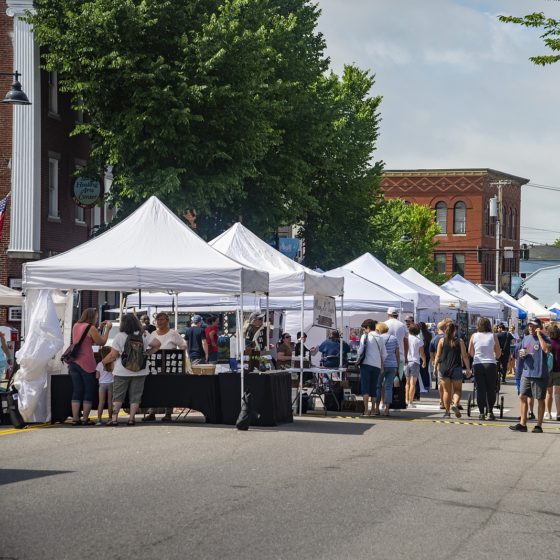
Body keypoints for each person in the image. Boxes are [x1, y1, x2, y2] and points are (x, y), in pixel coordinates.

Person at [102, 313, 161, 426]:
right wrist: (146, 353)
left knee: (118, 395)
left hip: (122, 371)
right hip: (140, 370)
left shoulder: (120, 336)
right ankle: (132, 418)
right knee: (136, 395)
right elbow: (157, 344)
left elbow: (113, 355)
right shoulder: (144, 334)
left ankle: (114, 419)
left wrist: (103, 361)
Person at [68, 308, 112, 426]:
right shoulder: (91, 328)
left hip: (73, 362)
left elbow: (85, 336)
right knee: (88, 390)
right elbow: (101, 342)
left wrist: (99, 328)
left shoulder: (76, 325)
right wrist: (107, 330)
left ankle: (75, 418)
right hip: (86, 362)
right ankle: (85, 418)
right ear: (92, 317)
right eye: (96, 317)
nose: (97, 319)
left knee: (77, 390)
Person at [144, 312, 189, 423]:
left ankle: (168, 413)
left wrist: (179, 355)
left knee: (168, 389)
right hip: (154, 365)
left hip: (169, 366)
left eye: (162, 319)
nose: (159, 322)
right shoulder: (153, 333)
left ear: (167, 321)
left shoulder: (173, 333)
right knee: (153, 389)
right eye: (157, 319)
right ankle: (152, 412)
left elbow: (183, 345)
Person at [509, 318, 551, 433]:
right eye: (529, 326)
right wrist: (522, 354)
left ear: (538, 327)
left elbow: (546, 350)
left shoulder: (545, 338)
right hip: (526, 373)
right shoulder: (526, 338)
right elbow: (522, 350)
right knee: (522, 396)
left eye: (533, 326)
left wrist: (539, 335)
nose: (530, 328)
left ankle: (539, 425)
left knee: (540, 399)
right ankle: (523, 423)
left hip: (539, 374)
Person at [435, 321, 471, 418]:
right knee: (457, 390)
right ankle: (455, 404)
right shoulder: (460, 341)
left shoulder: (441, 341)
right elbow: (464, 356)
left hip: (444, 368)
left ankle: (447, 412)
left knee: (446, 391)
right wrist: (468, 368)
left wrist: (435, 368)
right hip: (456, 368)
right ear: (455, 330)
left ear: (445, 330)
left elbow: (437, 356)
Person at [468, 317, 502, 421]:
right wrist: (494, 357)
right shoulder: (493, 336)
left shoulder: (474, 336)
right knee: (491, 388)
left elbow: (470, 351)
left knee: (480, 389)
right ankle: (490, 411)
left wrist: (476, 357)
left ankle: (481, 413)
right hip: (490, 364)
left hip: (478, 364)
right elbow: (498, 352)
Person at [357, 320, 387, 416]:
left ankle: (366, 410)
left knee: (365, 387)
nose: (364, 331)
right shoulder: (381, 338)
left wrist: (358, 356)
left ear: (368, 328)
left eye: (364, 329)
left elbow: (360, 350)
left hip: (366, 364)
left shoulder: (365, 336)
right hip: (377, 365)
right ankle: (374, 409)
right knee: (374, 387)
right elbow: (384, 354)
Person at [375, 322, 399, 416]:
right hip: (392, 364)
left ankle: (377, 408)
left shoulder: (379, 338)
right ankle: (387, 409)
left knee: (378, 386)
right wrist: (397, 365)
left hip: (381, 365)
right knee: (389, 387)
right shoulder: (394, 338)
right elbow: (397, 353)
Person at [430, 319, 450, 410]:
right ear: (445, 328)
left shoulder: (434, 339)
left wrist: (434, 362)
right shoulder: (449, 338)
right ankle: (450, 401)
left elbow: (432, 353)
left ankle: (442, 401)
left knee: (440, 384)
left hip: (439, 364)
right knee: (450, 383)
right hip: (450, 363)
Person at [404, 323, 426, 408]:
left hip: (407, 361)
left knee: (407, 383)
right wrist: (424, 361)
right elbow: (422, 353)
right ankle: (410, 401)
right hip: (415, 361)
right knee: (413, 383)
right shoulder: (419, 340)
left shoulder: (406, 338)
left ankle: (406, 399)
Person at [545, 323, 560, 420]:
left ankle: (549, 413)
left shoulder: (547, 343)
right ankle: (559, 414)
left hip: (548, 370)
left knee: (549, 393)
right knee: (558, 393)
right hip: (559, 371)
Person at [96, 346, 114, 425]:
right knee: (110, 402)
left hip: (102, 384)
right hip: (111, 383)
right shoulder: (112, 364)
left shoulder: (100, 364)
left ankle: (99, 419)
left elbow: (97, 376)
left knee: (101, 402)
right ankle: (110, 418)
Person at [419, 322, 432, 391]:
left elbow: (422, 345)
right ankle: (427, 385)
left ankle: (423, 385)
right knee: (426, 370)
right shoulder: (429, 334)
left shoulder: (420, 334)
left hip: (422, 353)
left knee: (421, 370)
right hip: (428, 353)